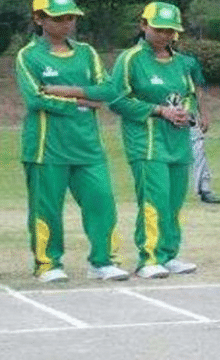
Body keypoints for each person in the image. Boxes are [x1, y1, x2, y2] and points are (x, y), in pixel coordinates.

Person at [14, 0, 128, 282]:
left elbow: (109, 89)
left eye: (71, 18)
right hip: (46, 148)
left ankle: (102, 261)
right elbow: (35, 98)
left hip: (88, 147)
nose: (67, 23)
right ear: (39, 19)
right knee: (47, 208)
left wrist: (67, 91)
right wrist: (81, 102)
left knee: (102, 201)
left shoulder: (87, 53)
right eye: (59, 18)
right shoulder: (28, 56)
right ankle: (48, 264)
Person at [107, 2, 199, 278]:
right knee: (154, 199)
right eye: (159, 29)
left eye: (170, 30)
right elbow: (116, 99)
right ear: (143, 26)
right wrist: (159, 110)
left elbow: (189, 94)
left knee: (173, 201)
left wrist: (186, 113)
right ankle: (149, 258)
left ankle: (169, 254)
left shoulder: (182, 62)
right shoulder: (131, 59)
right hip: (146, 143)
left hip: (178, 142)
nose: (165, 35)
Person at [183, 53, 220, 204]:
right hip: (164, 116)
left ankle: (204, 189)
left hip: (188, 115)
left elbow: (198, 90)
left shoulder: (188, 62)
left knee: (198, 150)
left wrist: (204, 114)